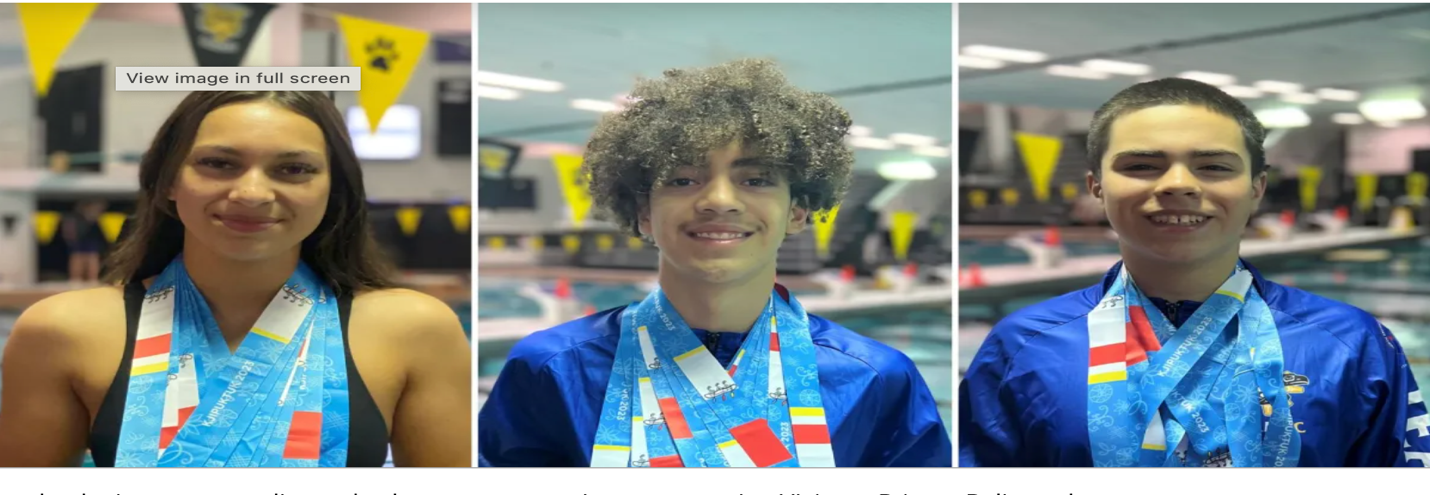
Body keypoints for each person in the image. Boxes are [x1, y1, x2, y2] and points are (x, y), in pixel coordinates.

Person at [478, 59, 950, 467]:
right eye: (682, 180)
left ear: (798, 211)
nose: (719, 200)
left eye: (757, 179)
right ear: (643, 212)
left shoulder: (874, 377)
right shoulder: (554, 370)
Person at [960, 78, 1429, 467]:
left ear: (1256, 188)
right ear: (1096, 186)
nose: (1178, 185)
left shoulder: (1353, 345)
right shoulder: (1022, 346)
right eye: (1142, 165)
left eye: (1213, 166)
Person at [0, 91, 471, 467]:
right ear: (167, 180)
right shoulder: (62, 332)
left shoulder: (414, 330)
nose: (251, 193)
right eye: (218, 163)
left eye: (293, 169)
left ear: (334, 190)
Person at [62, 199, 109, 283]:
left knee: (92, 260)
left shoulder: (99, 221)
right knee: (78, 259)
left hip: (91, 244)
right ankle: (76, 281)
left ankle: (92, 281)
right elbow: (68, 231)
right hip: (78, 244)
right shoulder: (74, 218)